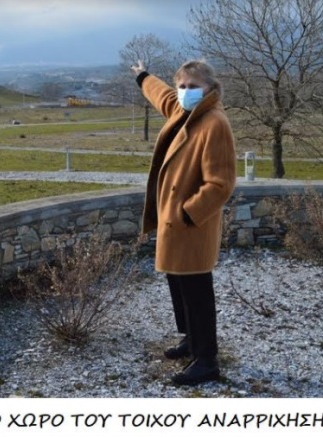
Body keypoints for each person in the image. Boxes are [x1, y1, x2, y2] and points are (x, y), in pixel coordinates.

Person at [130, 59, 236, 385]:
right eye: (183, 86)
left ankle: (207, 360)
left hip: (191, 227)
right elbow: (163, 96)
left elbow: (220, 184)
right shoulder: (182, 110)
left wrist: (188, 214)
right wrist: (143, 77)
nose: (186, 91)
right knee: (179, 286)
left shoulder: (214, 123)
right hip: (175, 225)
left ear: (210, 89)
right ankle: (191, 340)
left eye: (194, 86)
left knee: (197, 293)